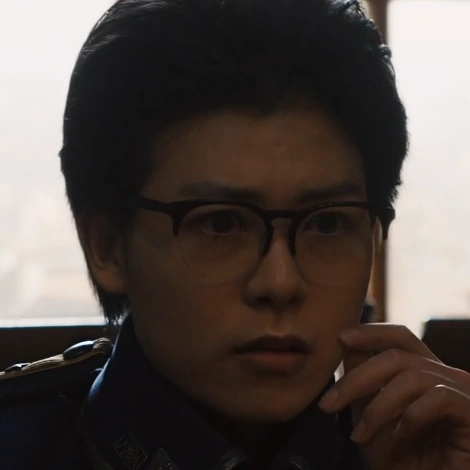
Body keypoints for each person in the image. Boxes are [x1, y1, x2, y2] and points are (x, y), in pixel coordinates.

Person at [1, 0, 470, 468]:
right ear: (106, 246)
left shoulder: (430, 447)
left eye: (327, 224)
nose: (281, 283)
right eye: (221, 223)